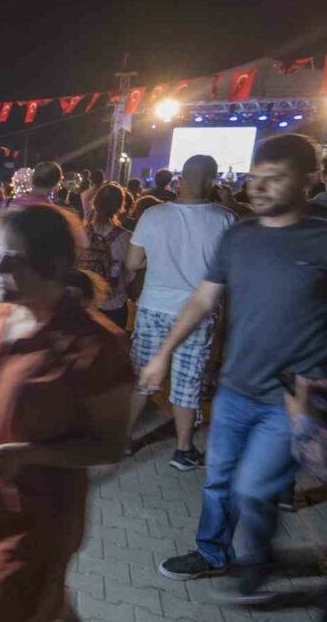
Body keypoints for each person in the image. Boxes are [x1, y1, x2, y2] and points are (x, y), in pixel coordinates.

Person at [146, 135, 327, 604]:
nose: (261, 188)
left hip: (287, 400)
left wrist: (316, 379)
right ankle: (212, 553)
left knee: (253, 488)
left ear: (308, 180)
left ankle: (256, 558)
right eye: (255, 178)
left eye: (275, 179)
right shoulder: (239, 234)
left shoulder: (322, 238)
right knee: (218, 482)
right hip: (234, 390)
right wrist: (164, 352)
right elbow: (205, 297)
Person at [0, 205, 133, 621]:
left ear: (54, 264)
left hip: (39, 517)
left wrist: (25, 453)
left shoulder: (94, 346)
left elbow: (109, 445)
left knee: (4, 608)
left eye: (11, 259)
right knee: (44, 604)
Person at [124, 154, 235, 468]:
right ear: (214, 179)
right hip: (197, 313)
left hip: (153, 307)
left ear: (180, 178)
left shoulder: (153, 215)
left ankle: (125, 441)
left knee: (142, 375)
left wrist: (156, 261)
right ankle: (184, 450)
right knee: (188, 381)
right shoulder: (225, 219)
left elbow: (132, 264)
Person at [80, 183, 134, 328]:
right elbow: (130, 272)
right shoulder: (125, 237)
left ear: (95, 204)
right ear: (120, 206)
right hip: (113, 303)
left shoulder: (81, 232)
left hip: (84, 302)